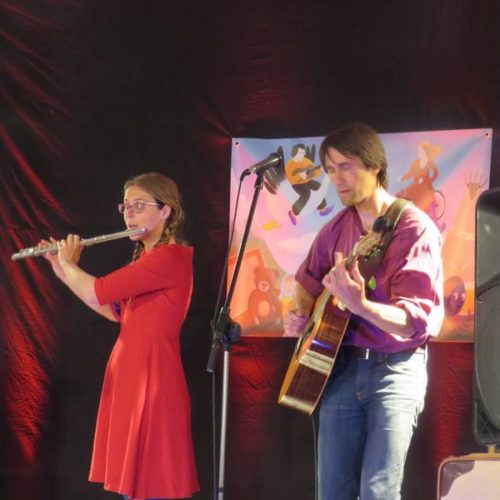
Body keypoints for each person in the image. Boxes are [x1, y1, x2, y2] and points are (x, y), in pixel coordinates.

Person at [286, 123, 444, 500]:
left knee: (378, 491)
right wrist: (302, 316)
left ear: (375, 166)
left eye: (346, 166)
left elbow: (412, 323)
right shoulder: (336, 229)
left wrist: (361, 305)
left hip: (395, 371)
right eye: (330, 169)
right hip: (341, 368)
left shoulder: (412, 228)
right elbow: (306, 283)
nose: (336, 178)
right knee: (333, 491)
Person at [40, 172, 199, 500]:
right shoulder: (148, 258)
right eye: (126, 206)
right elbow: (114, 311)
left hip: (152, 376)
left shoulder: (169, 258)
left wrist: (70, 264)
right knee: (135, 481)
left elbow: (97, 290)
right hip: (132, 372)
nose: (130, 214)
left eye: (139, 206)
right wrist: (61, 269)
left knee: (153, 479)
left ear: (166, 210)